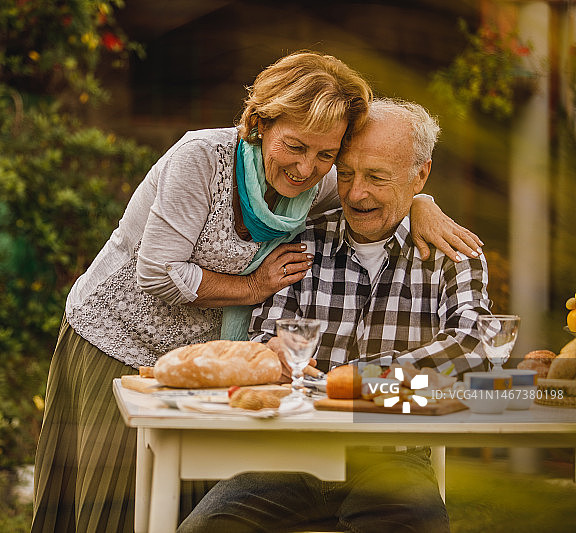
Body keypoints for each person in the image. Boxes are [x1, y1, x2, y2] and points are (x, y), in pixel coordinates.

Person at [31, 52, 483, 533]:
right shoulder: (205, 160)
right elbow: (164, 276)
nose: (311, 170)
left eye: (327, 156)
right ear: (260, 123)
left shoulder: (334, 191)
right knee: (112, 503)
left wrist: (421, 203)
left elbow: (475, 349)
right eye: (297, 146)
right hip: (120, 338)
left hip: (217, 374)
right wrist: (253, 289)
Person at [177, 98, 491, 533]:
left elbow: (477, 349)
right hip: (290, 454)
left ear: (420, 175)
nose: (356, 193)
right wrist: (272, 353)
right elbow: (266, 337)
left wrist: (363, 378)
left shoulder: (451, 254)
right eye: (346, 174)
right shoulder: (301, 242)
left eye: (376, 177)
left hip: (393, 459)